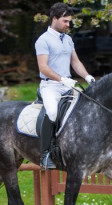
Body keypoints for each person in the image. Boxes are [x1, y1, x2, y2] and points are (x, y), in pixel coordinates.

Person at [35, 3, 95, 170]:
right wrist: (61, 79)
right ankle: (45, 154)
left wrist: (87, 76)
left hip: (68, 83)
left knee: (87, 107)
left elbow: (75, 62)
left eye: (69, 21)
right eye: (65, 21)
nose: (68, 25)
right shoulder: (43, 40)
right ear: (54, 19)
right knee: (53, 112)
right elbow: (43, 67)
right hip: (51, 86)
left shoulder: (67, 39)